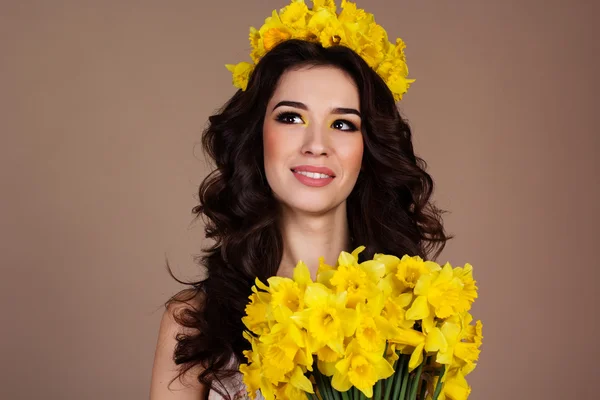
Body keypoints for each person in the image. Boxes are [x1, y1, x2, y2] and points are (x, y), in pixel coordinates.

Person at [150, 1, 450, 399]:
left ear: (368, 148)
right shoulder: (196, 321)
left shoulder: (415, 316)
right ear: (257, 136)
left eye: (342, 124)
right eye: (291, 117)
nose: (316, 145)